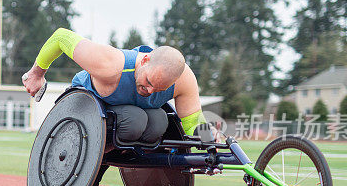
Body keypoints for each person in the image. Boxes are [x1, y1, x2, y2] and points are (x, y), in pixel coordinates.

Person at [22, 28, 208, 143]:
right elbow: (61, 37)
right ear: (144, 60)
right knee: (134, 120)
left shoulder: (184, 79)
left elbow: (192, 123)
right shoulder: (110, 64)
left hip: (130, 116)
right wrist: (37, 73)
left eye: (159, 89)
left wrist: (208, 136)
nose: (150, 91)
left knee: (160, 120)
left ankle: (128, 155)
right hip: (87, 105)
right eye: (149, 82)